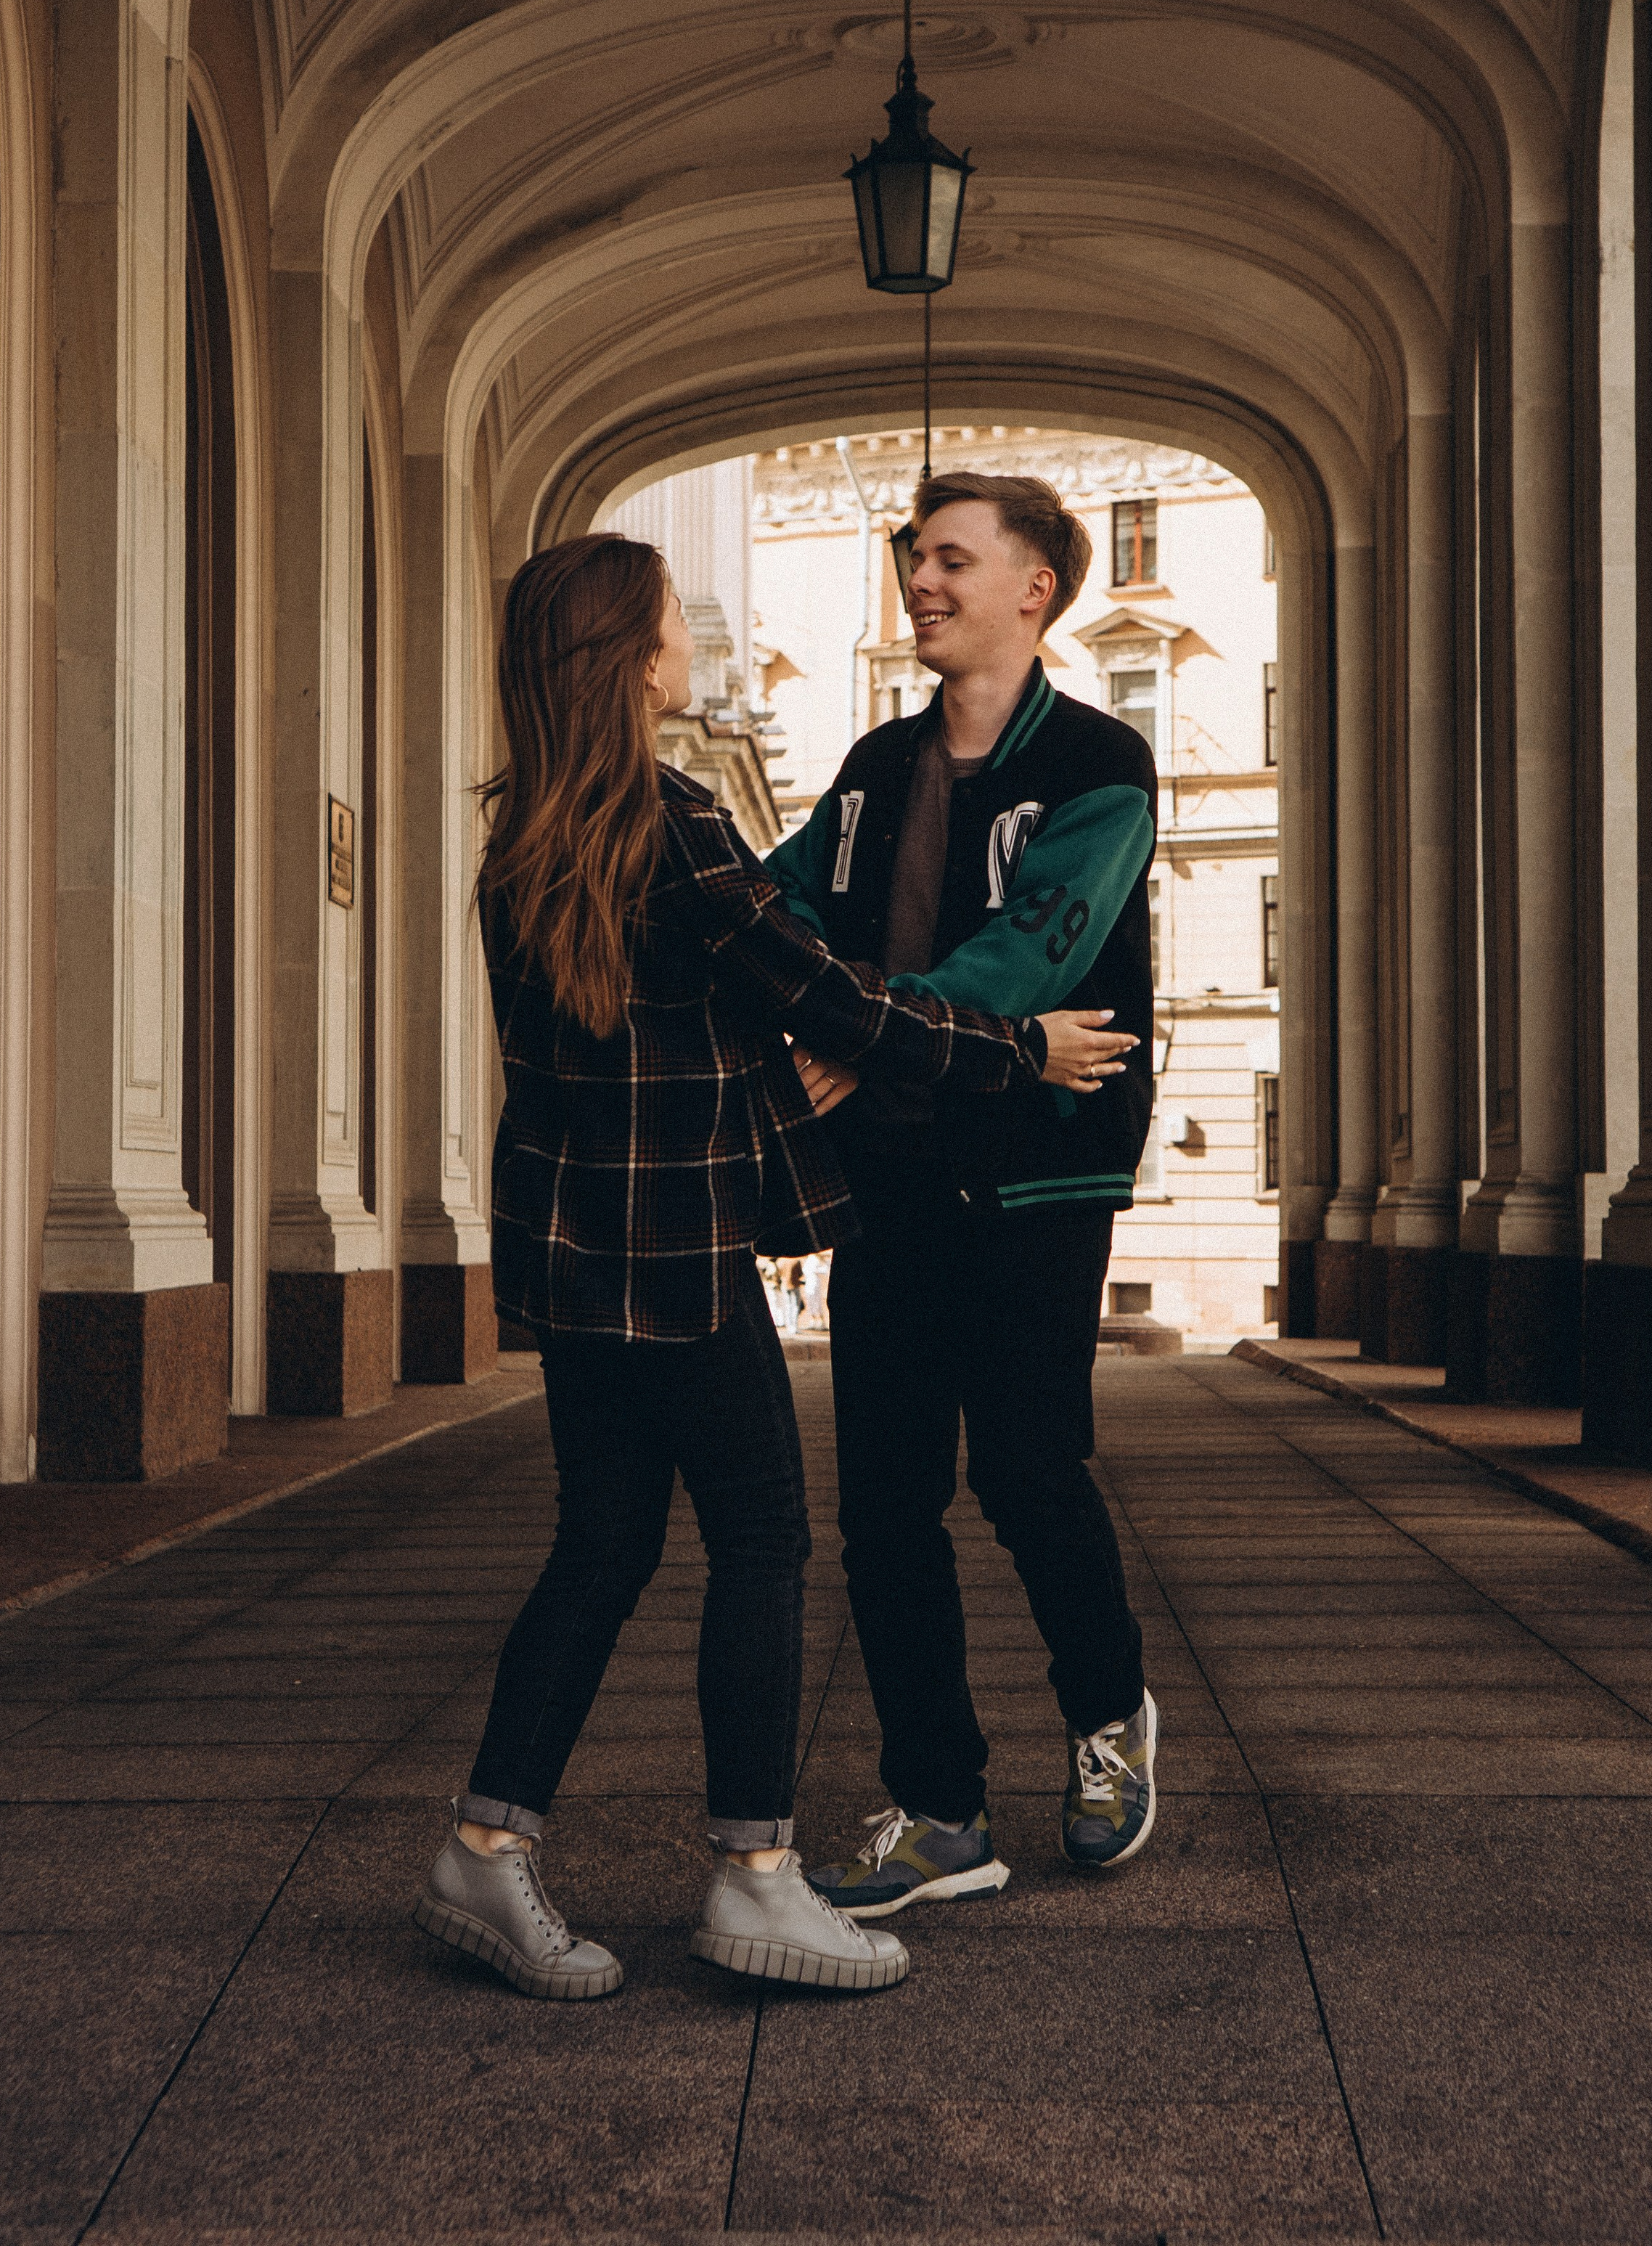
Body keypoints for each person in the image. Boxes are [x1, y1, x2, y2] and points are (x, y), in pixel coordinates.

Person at [412, 531, 1132, 2002]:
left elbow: (641, 1046)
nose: (689, 641)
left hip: (568, 1254)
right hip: (679, 1253)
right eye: (672, 625)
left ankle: (486, 1844)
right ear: (635, 662)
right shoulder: (673, 830)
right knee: (761, 1543)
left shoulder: (524, 837)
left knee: (601, 1546)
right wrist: (1018, 1046)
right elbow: (834, 1005)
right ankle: (754, 1877)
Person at [765, 470, 1160, 1916]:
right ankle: (940, 1809)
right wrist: (807, 998)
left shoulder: (1102, 764)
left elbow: (1026, 964)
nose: (919, 582)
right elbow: (782, 901)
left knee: (1026, 1470)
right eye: (912, 557)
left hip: (1039, 1174)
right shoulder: (876, 765)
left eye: (949, 559)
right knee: (882, 1505)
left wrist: (858, 1034)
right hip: (892, 1174)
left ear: (1033, 588)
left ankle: (1108, 1719)